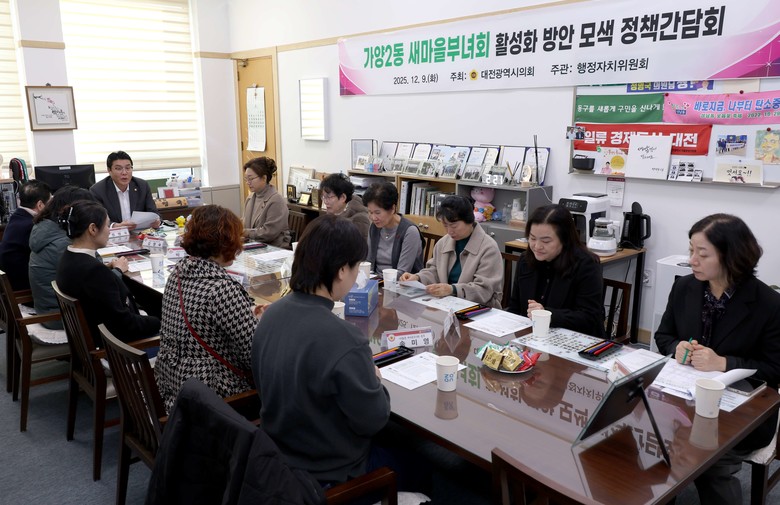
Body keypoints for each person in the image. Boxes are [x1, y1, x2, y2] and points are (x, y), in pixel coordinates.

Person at [252, 214, 390, 485]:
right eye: (356, 267)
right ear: (342, 270)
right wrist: (375, 380)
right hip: (329, 470)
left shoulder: (271, 314)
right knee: (421, 467)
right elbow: (374, 420)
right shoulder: (345, 338)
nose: (356, 276)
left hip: (277, 456)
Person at [654, 213, 780, 505]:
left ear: (731, 256)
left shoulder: (768, 304)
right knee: (650, 438)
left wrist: (723, 363)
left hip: (742, 407)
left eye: (702, 254)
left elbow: (775, 369)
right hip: (684, 398)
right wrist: (676, 347)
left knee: (710, 461)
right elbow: (663, 336)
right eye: (691, 250)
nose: (692, 260)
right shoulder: (685, 287)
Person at [155, 205, 259, 413]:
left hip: (175, 385)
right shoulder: (221, 288)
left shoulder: (178, 274)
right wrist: (260, 324)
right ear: (226, 242)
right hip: (214, 398)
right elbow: (254, 355)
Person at [55, 200, 160, 344]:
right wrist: (160, 321)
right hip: (119, 348)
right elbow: (125, 325)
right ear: (93, 229)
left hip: (98, 335)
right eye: (106, 225)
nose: (109, 230)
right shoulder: (93, 271)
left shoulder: (68, 257)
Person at [507, 204, 605, 338]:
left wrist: (548, 315)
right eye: (532, 238)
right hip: (533, 337)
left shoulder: (586, 265)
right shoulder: (526, 260)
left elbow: (589, 318)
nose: (537, 246)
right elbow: (515, 307)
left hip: (576, 339)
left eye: (546, 241)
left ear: (564, 239)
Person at [400, 195, 502, 308]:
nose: (449, 231)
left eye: (454, 226)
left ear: (469, 220)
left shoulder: (488, 248)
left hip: (479, 309)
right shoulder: (443, 243)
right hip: (447, 304)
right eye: (445, 226)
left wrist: (452, 289)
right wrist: (418, 278)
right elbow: (434, 271)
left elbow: (483, 290)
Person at [29, 186, 98, 329]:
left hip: (51, 310)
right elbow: (99, 285)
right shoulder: (63, 244)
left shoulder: (46, 230)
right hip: (64, 317)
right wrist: (117, 271)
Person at [363, 181, 423, 276]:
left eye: (377, 212)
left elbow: (402, 272)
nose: (373, 218)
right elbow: (369, 262)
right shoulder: (374, 227)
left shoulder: (410, 231)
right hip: (377, 280)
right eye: (370, 212)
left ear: (392, 209)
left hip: (401, 282)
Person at [0, 180, 51, 290]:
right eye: (50, 202)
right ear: (40, 205)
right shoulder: (31, 226)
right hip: (23, 285)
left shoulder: (17, 217)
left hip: (12, 280)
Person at [90, 151, 160, 230]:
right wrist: (115, 226)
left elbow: (154, 212)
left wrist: (157, 221)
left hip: (140, 233)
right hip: (113, 235)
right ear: (109, 170)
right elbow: (97, 220)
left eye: (128, 168)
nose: (124, 172)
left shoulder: (142, 186)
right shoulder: (98, 190)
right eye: (118, 168)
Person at [242, 157, 290, 247]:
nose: (248, 182)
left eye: (251, 179)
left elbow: (268, 233)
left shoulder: (276, 200)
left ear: (264, 178)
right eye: (246, 179)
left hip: (274, 248)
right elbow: (244, 223)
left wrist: (244, 232)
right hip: (254, 245)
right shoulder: (250, 198)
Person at [320, 173, 370, 240]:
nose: (325, 201)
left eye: (328, 197)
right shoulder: (334, 212)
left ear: (343, 197)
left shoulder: (359, 220)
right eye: (324, 197)